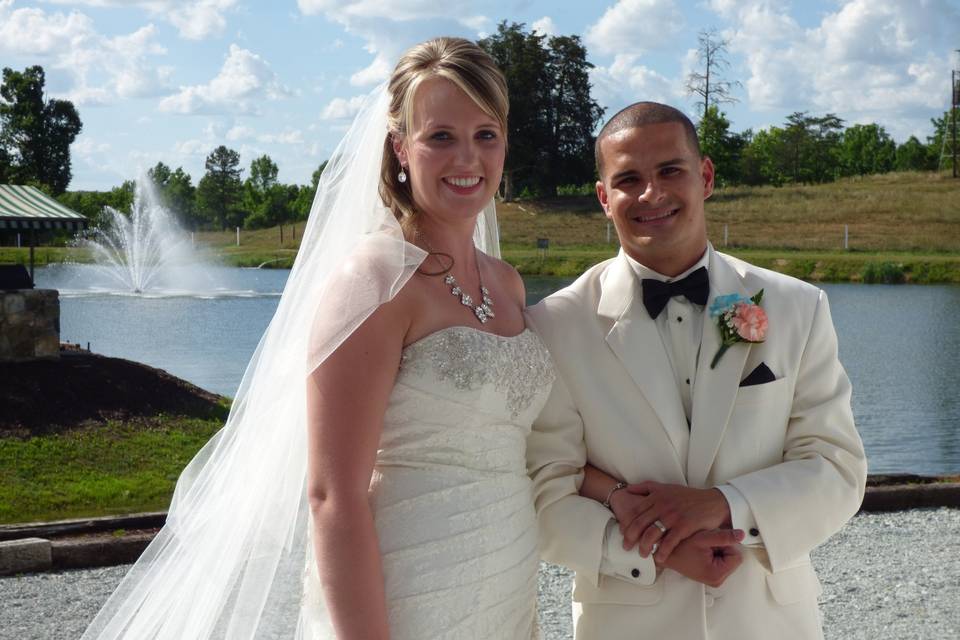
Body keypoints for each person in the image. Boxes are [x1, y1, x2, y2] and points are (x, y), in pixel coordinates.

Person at [83, 37, 556, 640]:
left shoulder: (507, 283)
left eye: (485, 134)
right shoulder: (374, 281)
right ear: (400, 148)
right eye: (440, 136)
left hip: (509, 584)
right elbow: (333, 495)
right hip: (411, 592)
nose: (467, 157)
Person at [525, 102, 867, 640]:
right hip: (628, 621)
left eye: (669, 171)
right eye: (629, 179)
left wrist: (721, 506)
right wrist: (659, 549)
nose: (651, 194)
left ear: (705, 176)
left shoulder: (797, 306)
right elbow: (545, 490)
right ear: (602, 198)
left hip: (772, 623)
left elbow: (837, 469)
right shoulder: (554, 325)